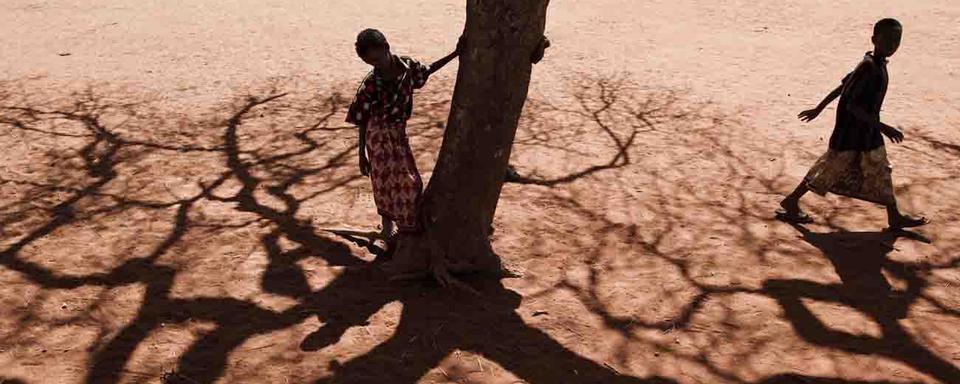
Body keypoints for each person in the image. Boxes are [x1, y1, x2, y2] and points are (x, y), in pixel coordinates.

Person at [777, 18, 928, 230]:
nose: (892, 45)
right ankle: (791, 201)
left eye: (897, 41)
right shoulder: (868, 67)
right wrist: (884, 128)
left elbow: (843, 88)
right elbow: (853, 107)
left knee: (881, 169)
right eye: (887, 40)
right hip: (851, 133)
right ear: (874, 39)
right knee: (829, 168)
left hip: (867, 132)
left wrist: (818, 109)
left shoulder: (875, 63)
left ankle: (894, 216)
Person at [346, 29, 462, 250]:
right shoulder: (371, 82)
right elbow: (362, 118)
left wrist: (455, 54)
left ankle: (405, 228)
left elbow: (428, 70)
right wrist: (361, 153)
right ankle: (389, 229)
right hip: (377, 136)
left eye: (377, 58)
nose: (375, 64)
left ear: (386, 47)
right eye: (369, 61)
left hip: (398, 133)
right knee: (384, 182)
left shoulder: (408, 68)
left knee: (409, 182)